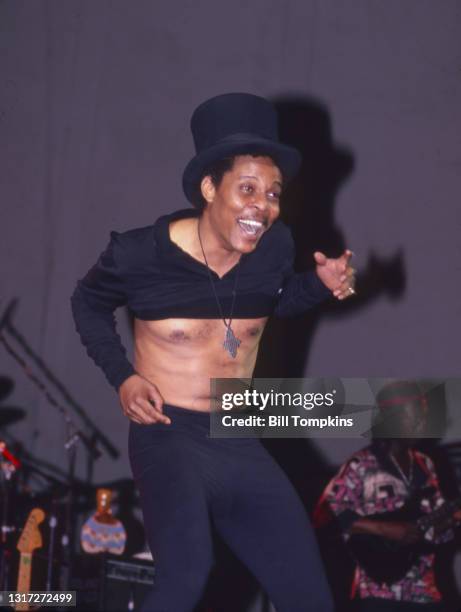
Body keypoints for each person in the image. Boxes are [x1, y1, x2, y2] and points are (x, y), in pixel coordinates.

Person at [71, 92, 356, 612]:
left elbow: (273, 302)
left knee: (310, 594)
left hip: (236, 432)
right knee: (187, 577)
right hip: (167, 433)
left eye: (273, 193)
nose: (263, 206)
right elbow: (87, 304)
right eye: (248, 188)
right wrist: (123, 377)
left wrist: (317, 283)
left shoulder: (274, 247)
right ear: (209, 188)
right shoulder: (140, 254)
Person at [313, 380, 461, 612]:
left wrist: (449, 521)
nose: (422, 424)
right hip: (377, 594)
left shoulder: (427, 465)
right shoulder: (361, 465)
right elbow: (325, 516)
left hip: (425, 593)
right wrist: (384, 529)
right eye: (414, 418)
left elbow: (437, 531)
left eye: (423, 417)